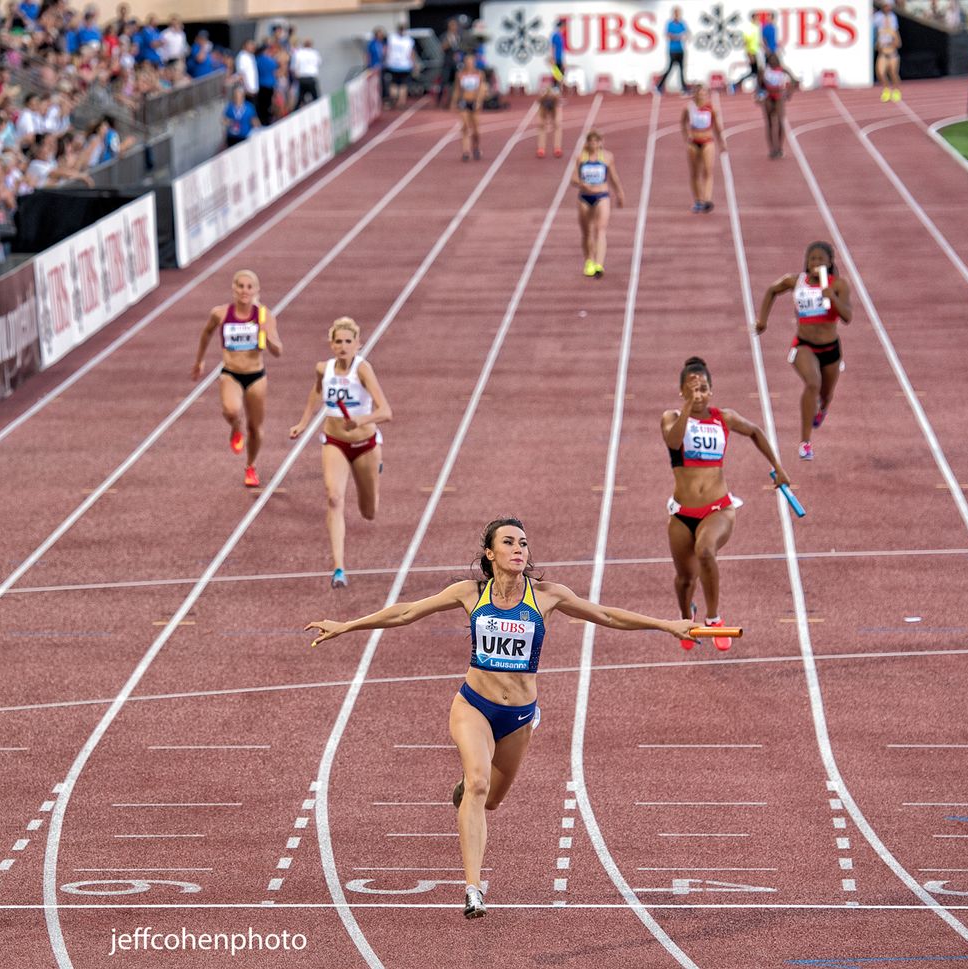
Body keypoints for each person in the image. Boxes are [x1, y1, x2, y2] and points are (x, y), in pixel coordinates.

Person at [305, 517, 699, 918]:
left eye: (524, 543)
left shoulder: (546, 596)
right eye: (509, 542)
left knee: (490, 799)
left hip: (520, 716)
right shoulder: (470, 593)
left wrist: (668, 625)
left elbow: (609, 616)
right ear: (490, 554)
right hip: (474, 705)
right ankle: (472, 889)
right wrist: (347, 625)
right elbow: (406, 612)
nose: (519, 549)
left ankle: (466, 787)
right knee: (479, 783)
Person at [662, 357, 789, 651]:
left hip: (718, 508)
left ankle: (714, 619)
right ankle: (686, 618)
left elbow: (755, 431)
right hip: (682, 514)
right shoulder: (671, 418)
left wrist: (778, 467)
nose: (699, 394)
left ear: (711, 390)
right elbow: (673, 442)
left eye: (704, 389)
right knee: (684, 580)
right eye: (692, 389)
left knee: (705, 551)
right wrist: (687, 410)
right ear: (681, 392)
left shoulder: (724, 417)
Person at [289, 318, 391, 590]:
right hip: (334, 441)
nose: (343, 346)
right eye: (338, 342)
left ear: (357, 344)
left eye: (348, 342)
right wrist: (303, 422)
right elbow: (316, 392)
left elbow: (385, 411)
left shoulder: (363, 370)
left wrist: (359, 420)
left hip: (365, 444)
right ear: (331, 344)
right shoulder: (323, 368)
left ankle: (376, 468)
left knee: (369, 512)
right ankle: (338, 568)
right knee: (334, 497)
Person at [755, 241, 853, 461]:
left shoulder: (838, 285)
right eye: (812, 258)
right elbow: (772, 290)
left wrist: (832, 297)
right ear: (806, 262)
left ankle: (822, 408)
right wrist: (762, 320)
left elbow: (847, 317)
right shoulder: (796, 281)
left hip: (831, 349)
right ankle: (805, 442)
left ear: (829, 263)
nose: (815, 262)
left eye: (820, 259)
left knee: (826, 395)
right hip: (804, 345)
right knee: (812, 383)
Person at [192, 270, 283, 487]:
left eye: (249, 287)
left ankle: (250, 466)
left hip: (256, 375)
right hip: (231, 372)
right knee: (231, 410)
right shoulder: (221, 313)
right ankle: (235, 425)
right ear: (233, 288)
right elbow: (206, 333)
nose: (244, 290)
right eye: (240, 286)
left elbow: (278, 351)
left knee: (255, 428)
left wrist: (267, 335)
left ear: (256, 290)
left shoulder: (264, 315)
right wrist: (200, 360)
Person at [570, 129, 625, 279]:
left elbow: (613, 176)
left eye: (596, 141)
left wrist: (619, 193)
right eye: (591, 141)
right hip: (585, 197)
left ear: (601, 142)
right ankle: (590, 261)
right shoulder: (581, 157)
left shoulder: (607, 157)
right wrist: (582, 183)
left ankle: (599, 264)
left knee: (600, 230)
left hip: (602, 196)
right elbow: (573, 178)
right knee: (587, 231)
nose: (593, 144)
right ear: (587, 142)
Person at [681, 84, 726, 213]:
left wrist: (722, 142)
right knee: (695, 172)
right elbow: (682, 123)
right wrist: (686, 137)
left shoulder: (711, 109)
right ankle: (698, 200)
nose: (702, 96)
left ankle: (706, 199)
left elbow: (717, 127)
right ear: (695, 94)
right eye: (699, 93)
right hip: (693, 142)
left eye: (704, 93)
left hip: (707, 141)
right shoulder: (688, 108)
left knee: (708, 171)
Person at [757, 52, 798, 159]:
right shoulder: (764, 70)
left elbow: (794, 80)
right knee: (770, 123)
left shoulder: (782, 70)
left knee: (780, 122)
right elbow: (759, 85)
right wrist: (758, 96)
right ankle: (772, 149)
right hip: (768, 97)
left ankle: (779, 147)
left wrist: (789, 93)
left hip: (779, 97)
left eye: (774, 59)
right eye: (771, 59)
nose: (773, 61)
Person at [656, 6, 689, 93]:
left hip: (680, 49)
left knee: (682, 69)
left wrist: (681, 36)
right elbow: (668, 35)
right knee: (670, 68)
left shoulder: (682, 23)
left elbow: (686, 34)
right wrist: (678, 36)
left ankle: (683, 87)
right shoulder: (670, 24)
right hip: (672, 50)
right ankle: (659, 85)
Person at [874, 3, 903, 102]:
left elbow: (898, 44)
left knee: (893, 73)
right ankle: (886, 89)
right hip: (883, 54)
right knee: (880, 73)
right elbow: (877, 44)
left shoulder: (893, 31)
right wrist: (879, 45)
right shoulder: (880, 31)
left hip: (892, 55)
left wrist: (891, 42)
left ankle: (896, 90)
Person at [384, 22, 416, 109]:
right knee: (403, 84)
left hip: (393, 64)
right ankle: (401, 102)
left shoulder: (391, 38)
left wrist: (385, 60)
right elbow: (411, 54)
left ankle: (394, 100)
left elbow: (386, 50)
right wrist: (414, 64)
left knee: (394, 84)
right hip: (404, 65)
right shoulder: (409, 40)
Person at [535, 79, 562, 159]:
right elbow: (540, 112)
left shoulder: (555, 98)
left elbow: (557, 111)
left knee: (557, 125)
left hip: (554, 107)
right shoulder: (542, 99)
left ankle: (557, 148)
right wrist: (541, 122)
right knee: (541, 126)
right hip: (543, 108)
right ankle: (541, 148)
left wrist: (556, 121)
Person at [438, 18, 462, 109]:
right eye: (452, 25)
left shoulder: (459, 36)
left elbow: (460, 48)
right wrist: (449, 41)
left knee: (456, 82)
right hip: (447, 62)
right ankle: (440, 100)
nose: (454, 27)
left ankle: (454, 100)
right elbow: (442, 48)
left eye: (455, 25)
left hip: (456, 63)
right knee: (444, 82)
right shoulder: (445, 36)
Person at [291, 38, 322, 105]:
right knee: (315, 99)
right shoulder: (315, 53)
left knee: (300, 100)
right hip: (311, 78)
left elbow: (293, 67)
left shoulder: (298, 53)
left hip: (302, 78)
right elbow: (319, 63)